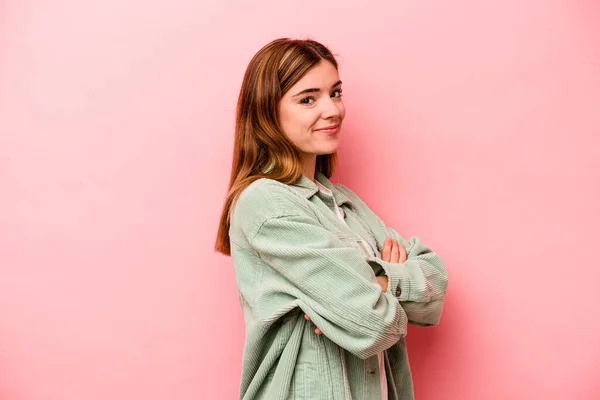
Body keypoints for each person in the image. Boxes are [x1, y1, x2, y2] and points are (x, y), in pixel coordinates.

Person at [215, 37, 448, 400]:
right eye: (308, 99)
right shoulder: (265, 202)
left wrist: (375, 285)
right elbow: (375, 325)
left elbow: (434, 287)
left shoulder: (344, 204)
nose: (333, 110)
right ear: (267, 113)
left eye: (335, 93)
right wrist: (385, 284)